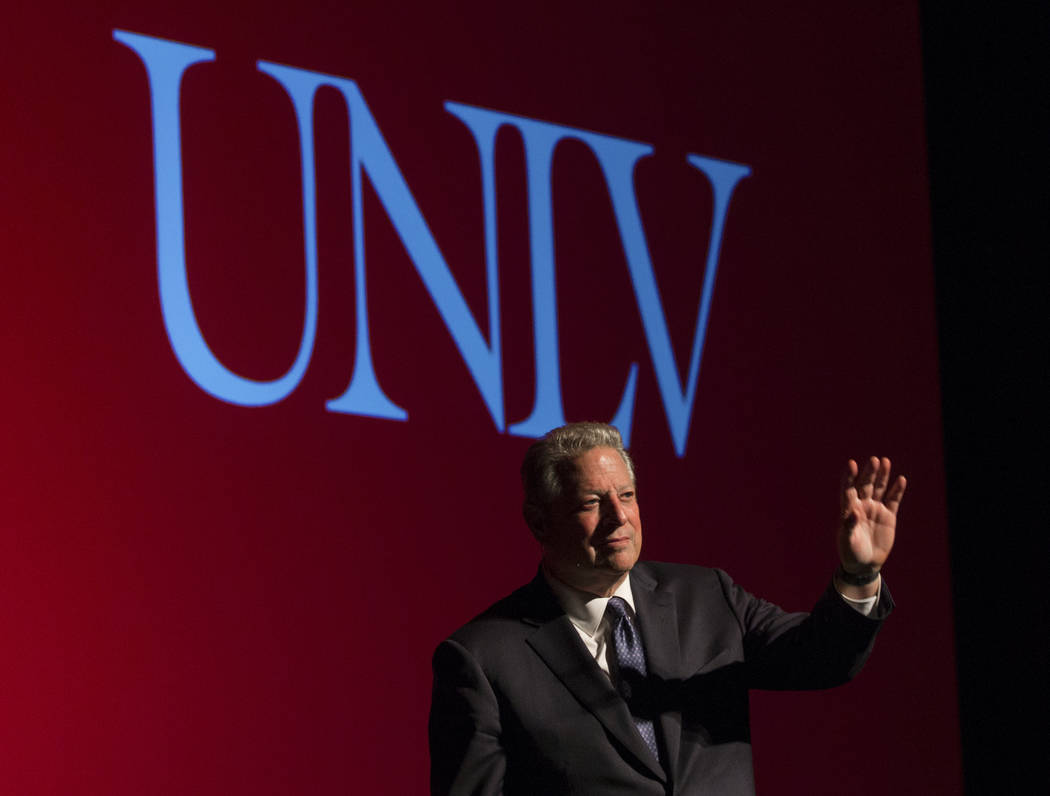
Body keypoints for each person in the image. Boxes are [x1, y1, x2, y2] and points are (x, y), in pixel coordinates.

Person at [429, 422, 905, 795]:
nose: (620, 517)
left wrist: (859, 575)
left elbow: (819, 658)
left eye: (628, 496)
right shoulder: (484, 658)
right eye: (593, 502)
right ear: (539, 521)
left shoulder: (707, 596)